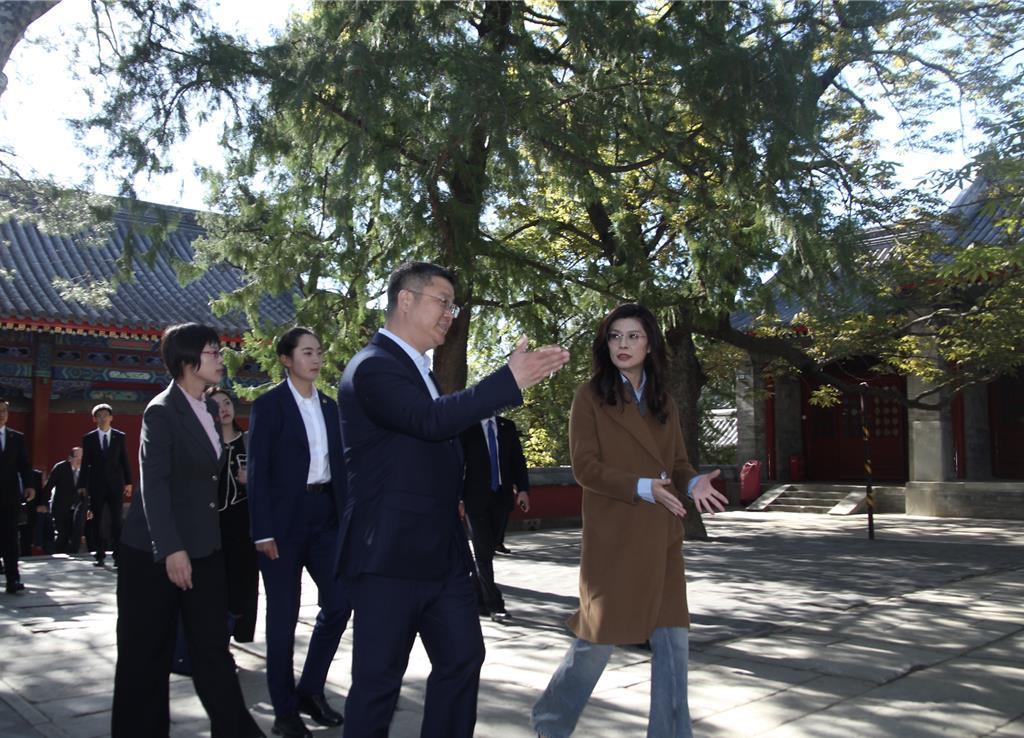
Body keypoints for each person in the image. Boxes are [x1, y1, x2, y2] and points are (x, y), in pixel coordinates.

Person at [336, 261, 570, 738]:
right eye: (443, 302)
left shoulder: (418, 370)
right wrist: (507, 381)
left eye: (453, 306)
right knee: (378, 684)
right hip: (389, 556)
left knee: (463, 658)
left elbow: (437, 430)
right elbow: (429, 421)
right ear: (405, 300)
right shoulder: (373, 366)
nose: (451, 314)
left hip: (441, 555)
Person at [532, 304, 729, 738]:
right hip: (614, 538)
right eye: (615, 336)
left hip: (662, 537)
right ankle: (550, 722)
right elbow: (585, 468)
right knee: (597, 641)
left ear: (649, 344)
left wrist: (693, 481)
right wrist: (642, 487)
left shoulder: (663, 400)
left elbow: (677, 464)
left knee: (673, 642)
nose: (623, 344)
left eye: (633, 336)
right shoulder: (590, 396)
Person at [111, 323, 264, 738]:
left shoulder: (210, 410)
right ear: (187, 361)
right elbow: (154, 485)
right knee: (146, 656)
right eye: (213, 352)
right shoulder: (161, 411)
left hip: (204, 548)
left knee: (212, 649)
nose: (221, 358)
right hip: (154, 551)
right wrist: (171, 549)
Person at [247, 327, 350, 738]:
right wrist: (262, 531)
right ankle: (284, 711)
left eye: (319, 351)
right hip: (281, 524)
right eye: (307, 352)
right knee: (283, 617)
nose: (316, 358)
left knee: (340, 603)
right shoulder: (269, 405)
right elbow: (258, 472)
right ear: (286, 360)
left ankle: (310, 689)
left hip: (325, 518)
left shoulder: (330, 407)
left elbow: (343, 469)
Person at [459, 414, 530, 620]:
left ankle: (478, 599)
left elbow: (518, 460)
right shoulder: (467, 428)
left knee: (489, 549)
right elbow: (458, 464)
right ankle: (495, 605)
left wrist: (523, 490)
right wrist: (458, 498)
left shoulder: (507, 427)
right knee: (483, 553)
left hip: (502, 498)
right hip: (475, 500)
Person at [209, 389, 259, 645]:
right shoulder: (207, 444)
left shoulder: (250, 441)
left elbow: (270, 481)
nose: (224, 409)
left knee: (244, 583)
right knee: (216, 586)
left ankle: (238, 632)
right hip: (212, 527)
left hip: (244, 525)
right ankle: (217, 638)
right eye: (216, 405)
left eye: (227, 402)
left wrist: (252, 480)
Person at [79, 403, 132, 567]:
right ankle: (99, 554)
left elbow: (124, 460)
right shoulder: (89, 438)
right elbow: (85, 463)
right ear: (94, 419)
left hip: (115, 484)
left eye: (105, 415)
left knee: (117, 520)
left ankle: (118, 554)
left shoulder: (119, 436)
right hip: (97, 484)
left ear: (111, 418)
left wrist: (128, 482)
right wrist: (82, 484)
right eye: (99, 416)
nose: (102, 418)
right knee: (97, 520)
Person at [0, 399, 35, 594]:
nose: (1, 414)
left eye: (4, 411)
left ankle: (13, 579)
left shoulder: (16, 437)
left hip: (10, 495)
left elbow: (24, 464)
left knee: (11, 537)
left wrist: (29, 485)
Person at [45, 447, 86, 554]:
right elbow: (48, 486)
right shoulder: (60, 468)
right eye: (77, 457)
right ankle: (57, 554)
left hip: (78, 508)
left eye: (82, 458)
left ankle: (73, 555)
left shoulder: (86, 470)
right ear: (70, 458)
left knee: (76, 534)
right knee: (62, 535)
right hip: (61, 507)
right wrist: (43, 504)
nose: (80, 461)